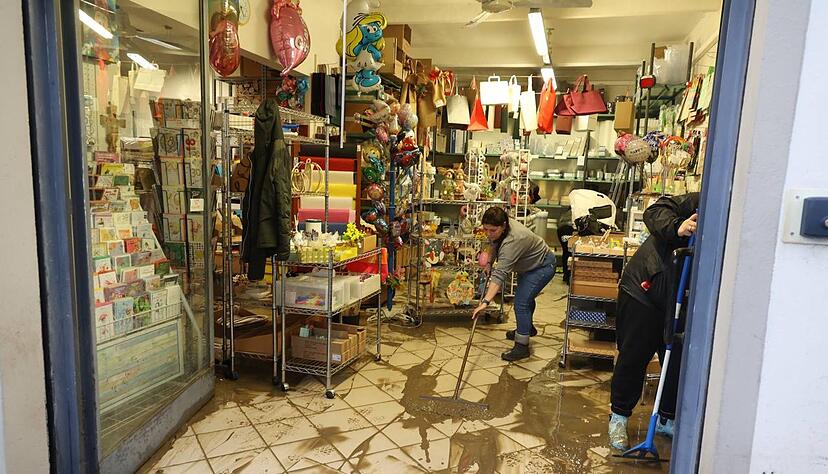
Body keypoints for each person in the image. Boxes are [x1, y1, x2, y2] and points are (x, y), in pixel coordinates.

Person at [608, 192, 700, 450]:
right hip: (644, 289)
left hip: (682, 300)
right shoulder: (701, 200)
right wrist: (677, 227)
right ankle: (619, 416)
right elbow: (656, 210)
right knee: (633, 357)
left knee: (675, 361)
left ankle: (666, 419)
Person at [472, 207, 556, 361]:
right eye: (486, 229)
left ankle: (522, 346)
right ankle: (527, 328)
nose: (489, 234)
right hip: (529, 265)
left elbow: (500, 274)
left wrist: (485, 302)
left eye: (492, 230)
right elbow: (494, 244)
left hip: (542, 266)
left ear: (503, 225)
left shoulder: (514, 240)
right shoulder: (500, 229)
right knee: (525, 299)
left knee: (521, 303)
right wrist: (489, 262)